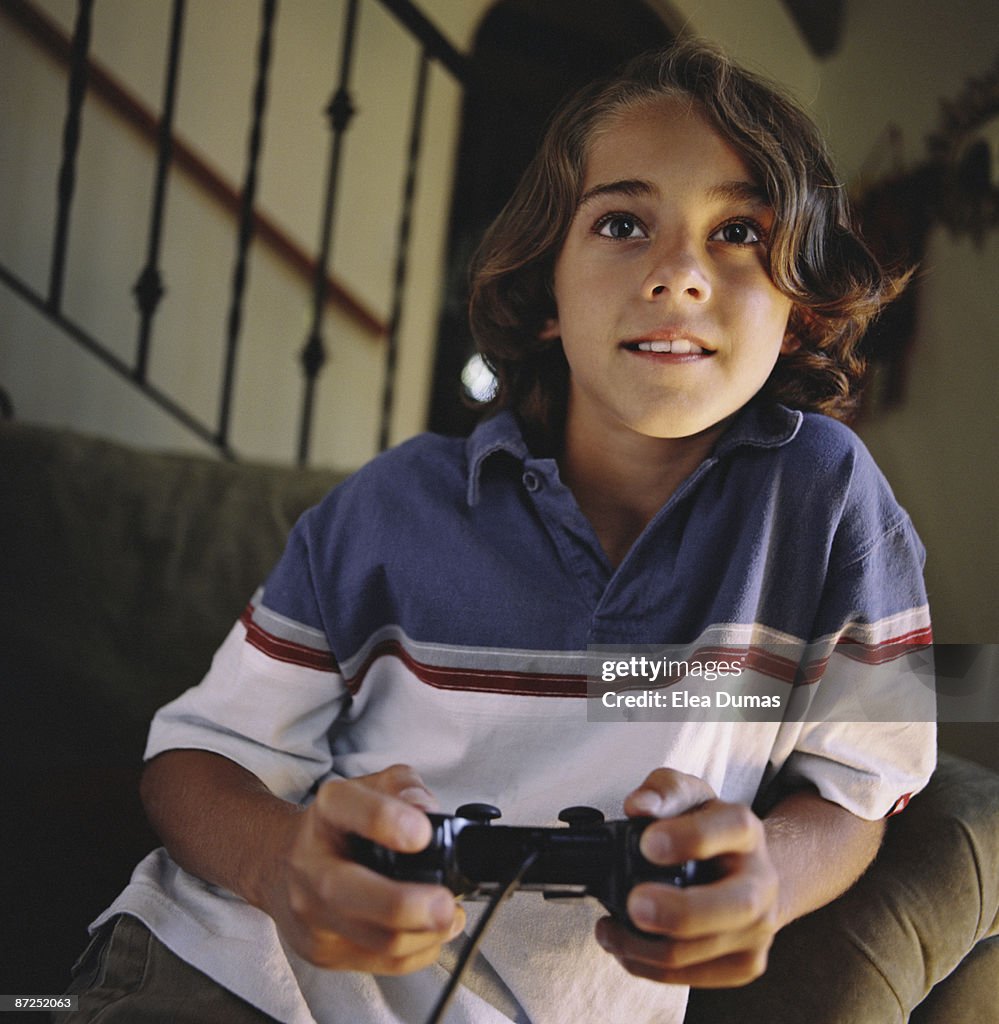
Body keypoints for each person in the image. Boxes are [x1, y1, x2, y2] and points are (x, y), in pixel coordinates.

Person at [61, 41, 934, 1024]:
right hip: (238, 971)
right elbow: (191, 764)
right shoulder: (394, 505)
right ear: (547, 289)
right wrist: (278, 864)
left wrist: (767, 878)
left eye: (737, 230)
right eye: (620, 222)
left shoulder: (827, 500)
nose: (679, 272)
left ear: (801, 303)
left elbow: (858, 790)